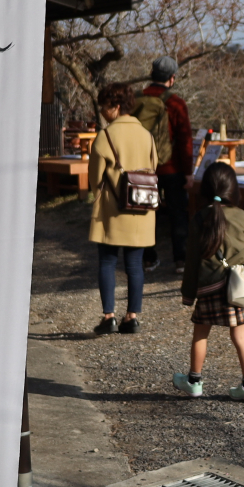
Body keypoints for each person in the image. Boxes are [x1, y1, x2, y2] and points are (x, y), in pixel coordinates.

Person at [172, 161, 244, 402]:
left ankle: (194, 382)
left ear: (204, 189)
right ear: (234, 189)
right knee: (240, 337)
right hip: (240, 288)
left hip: (211, 289)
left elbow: (192, 259)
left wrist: (188, 294)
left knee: (200, 335)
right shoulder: (242, 215)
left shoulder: (200, 218)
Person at [88, 82, 157, 334]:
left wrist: (100, 194)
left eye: (105, 106)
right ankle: (132, 316)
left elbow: (95, 178)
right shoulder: (147, 135)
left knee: (107, 261)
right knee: (135, 264)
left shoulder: (105, 136)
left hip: (112, 208)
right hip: (141, 207)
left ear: (116, 107)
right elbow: (153, 167)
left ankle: (109, 316)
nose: (103, 111)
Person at [133, 56, 193, 274]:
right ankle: (181, 261)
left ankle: (149, 260)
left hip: (142, 167)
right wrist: (188, 172)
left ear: (152, 75)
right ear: (172, 78)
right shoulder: (176, 103)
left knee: (146, 213)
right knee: (178, 214)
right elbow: (185, 139)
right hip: (172, 167)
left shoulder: (135, 99)